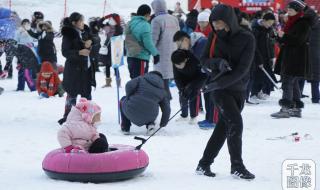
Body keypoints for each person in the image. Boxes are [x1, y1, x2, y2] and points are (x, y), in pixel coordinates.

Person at [196, 4, 256, 180]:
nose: (216, 27)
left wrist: (220, 82)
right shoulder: (214, 36)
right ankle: (237, 166)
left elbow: (242, 70)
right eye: (214, 24)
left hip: (237, 88)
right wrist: (218, 63)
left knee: (223, 128)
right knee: (236, 123)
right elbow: (204, 60)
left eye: (220, 23)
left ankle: (203, 164)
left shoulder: (247, 38)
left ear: (229, 20)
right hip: (219, 90)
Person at [272, 0, 312, 118]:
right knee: (292, 83)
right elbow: (288, 40)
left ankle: (286, 108)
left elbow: (299, 40)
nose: (288, 11)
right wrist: (278, 37)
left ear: (297, 11)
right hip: (291, 56)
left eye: (291, 9)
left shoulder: (303, 23)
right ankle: (295, 108)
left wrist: (284, 36)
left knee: (288, 82)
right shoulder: (292, 22)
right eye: (288, 9)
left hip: (296, 57)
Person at [58, 12, 96, 125]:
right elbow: (65, 52)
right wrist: (79, 52)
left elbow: (96, 39)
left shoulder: (86, 31)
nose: (83, 23)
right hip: (74, 70)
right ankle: (68, 117)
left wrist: (91, 41)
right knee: (72, 93)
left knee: (87, 94)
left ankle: (89, 116)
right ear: (74, 23)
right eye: (81, 21)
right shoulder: (68, 34)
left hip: (87, 68)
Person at [120, 71, 171, 135]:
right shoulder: (163, 90)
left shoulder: (141, 78)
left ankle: (125, 127)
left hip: (132, 110)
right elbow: (167, 109)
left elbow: (128, 85)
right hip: (150, 116)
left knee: (122, 100)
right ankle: (150, 125)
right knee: (151, 107)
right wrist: (163, 124)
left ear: (149, 74)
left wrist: (128, 96)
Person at [151, 0, 180, 100]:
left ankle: (166, 99)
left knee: (162, 78)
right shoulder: (174, 19)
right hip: (174, 50)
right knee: (169, 77)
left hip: (161, 53)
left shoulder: (156, 20)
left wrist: (150, 51)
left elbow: (153, 39)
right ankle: (169, 97)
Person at [171, 49, 207, 125]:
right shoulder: (176, 60)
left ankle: (193, 116)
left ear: (186, 60)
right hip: (183, 79)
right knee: (182, 94)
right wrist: (181, 89)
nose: (178, 66)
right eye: (176, 65)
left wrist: (191, 86)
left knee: (193, 94)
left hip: (197, 78)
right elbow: (177, 77)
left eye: (180, 64)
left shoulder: (195, 60)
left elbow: (203, 76)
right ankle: (184, 115)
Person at [125, 5, 159, 79]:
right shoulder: (145, 25)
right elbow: (148, 43)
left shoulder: (130, 23)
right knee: (141, 81)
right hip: (141, 57)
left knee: (134, 81)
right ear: (147, 14)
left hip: (130, 56)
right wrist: (155, 54)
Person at [250, 13, 277, 102]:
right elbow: (254, 46)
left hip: (267, 56)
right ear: (263, 20)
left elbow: (271, 44)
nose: (270, 25)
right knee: (256, 75)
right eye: (269, 22)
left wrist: (272, 56)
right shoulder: (255, 29)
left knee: (264, 75)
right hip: (257, 56)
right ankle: (253, 93)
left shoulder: (269, 29)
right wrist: (258, 59)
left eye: (272, 23)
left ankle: (258, 92)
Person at [99, 13, 123, 87]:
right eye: (109, 19)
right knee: (107, 65)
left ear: (115, 20)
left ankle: (118, 83)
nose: (109, 20)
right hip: (108, 48)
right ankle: (108, 83)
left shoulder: (119, 29)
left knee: (115, 65)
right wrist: (106, 17)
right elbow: (99, 23)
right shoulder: (107, 27)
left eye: (111, 19)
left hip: (115, 48)